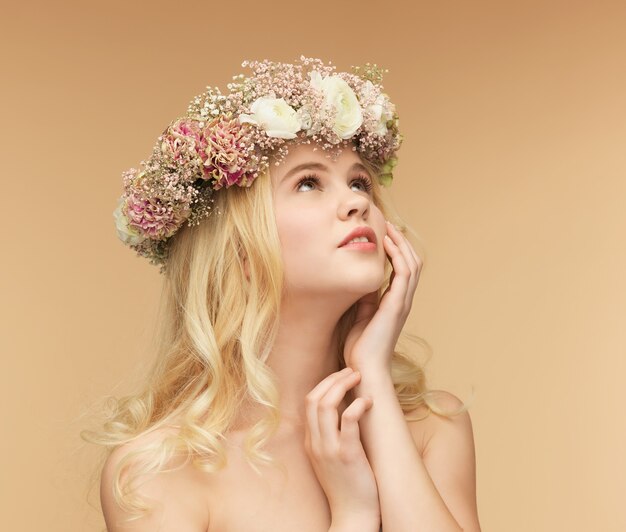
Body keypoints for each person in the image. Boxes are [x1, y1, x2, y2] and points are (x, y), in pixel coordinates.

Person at [82, 57, 481, 531]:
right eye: (309, 182)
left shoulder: (432, 426)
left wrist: (371, 374)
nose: (358, 202)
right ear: (240, 252)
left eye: (359, 181)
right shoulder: (158, 471)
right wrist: (353, 514)